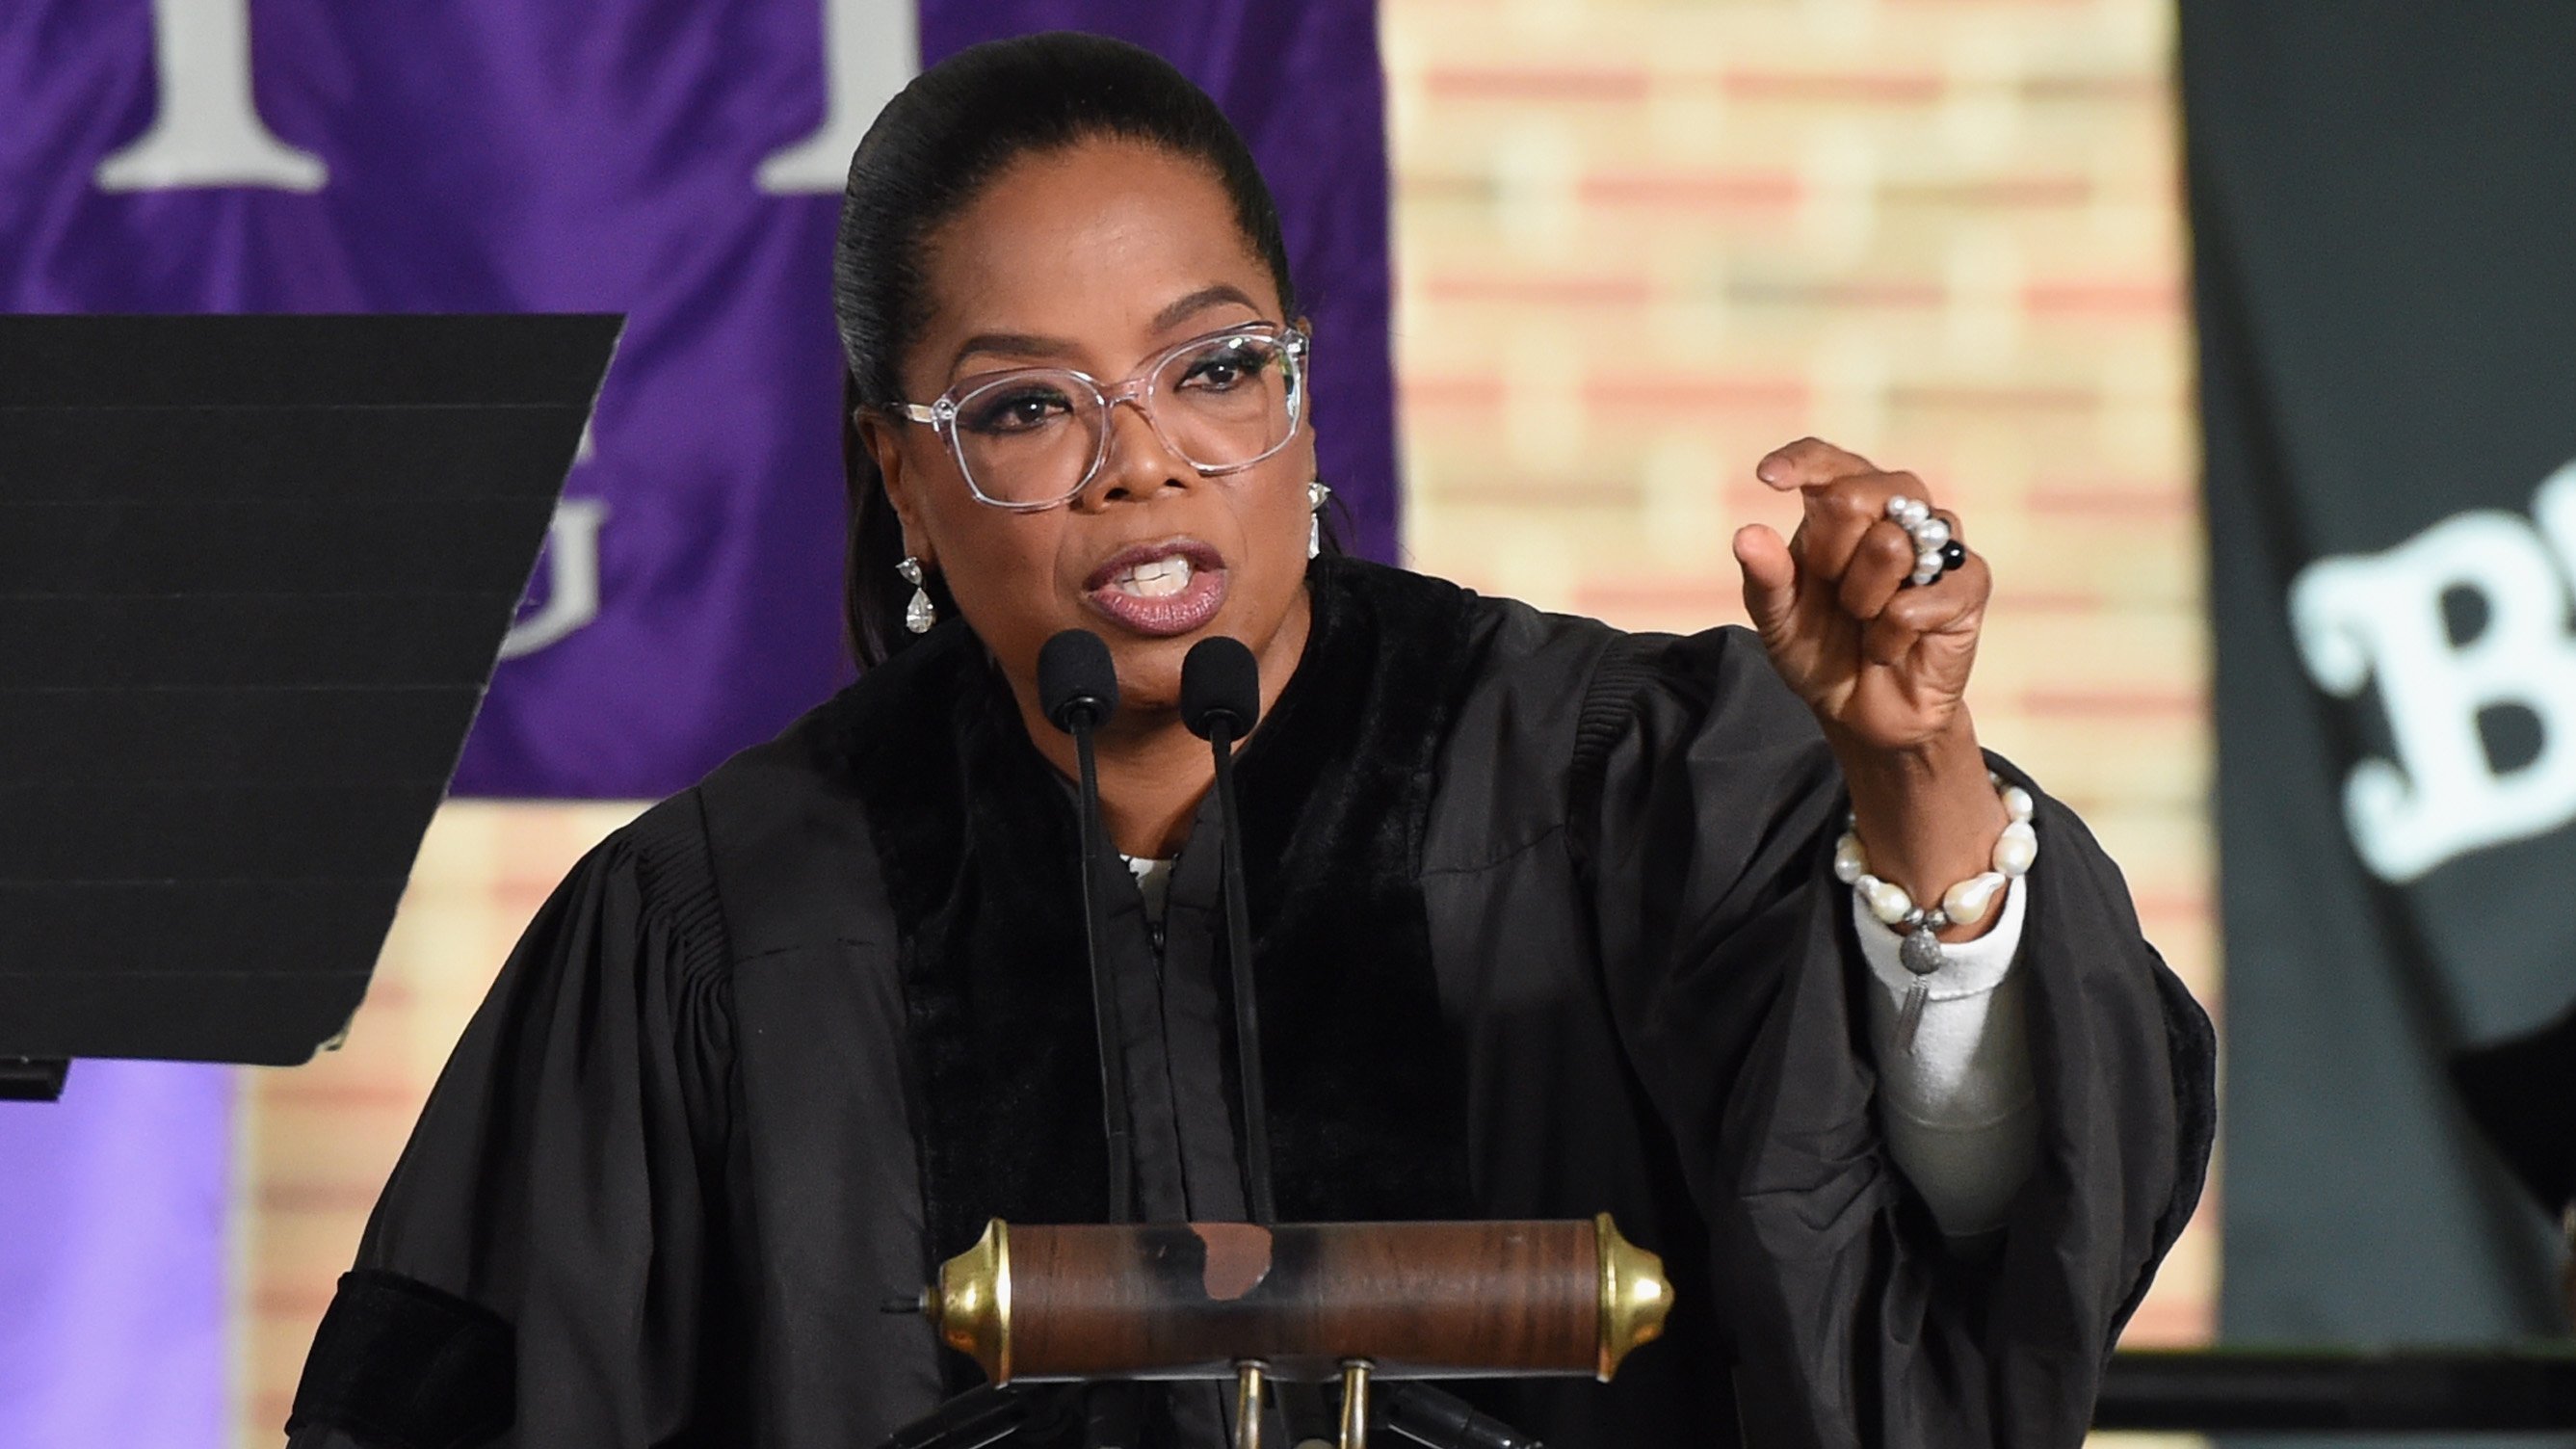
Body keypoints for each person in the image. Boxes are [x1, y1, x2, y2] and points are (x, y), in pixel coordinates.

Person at [285, 31, 2212, 1449]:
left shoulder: (1630, 780)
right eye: (1026, 407)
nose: (1142, 464)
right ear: (900, 472)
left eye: (1215, 368)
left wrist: (1912, 776)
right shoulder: (715, 918)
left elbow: (1966, 1258)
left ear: (1298, 387)